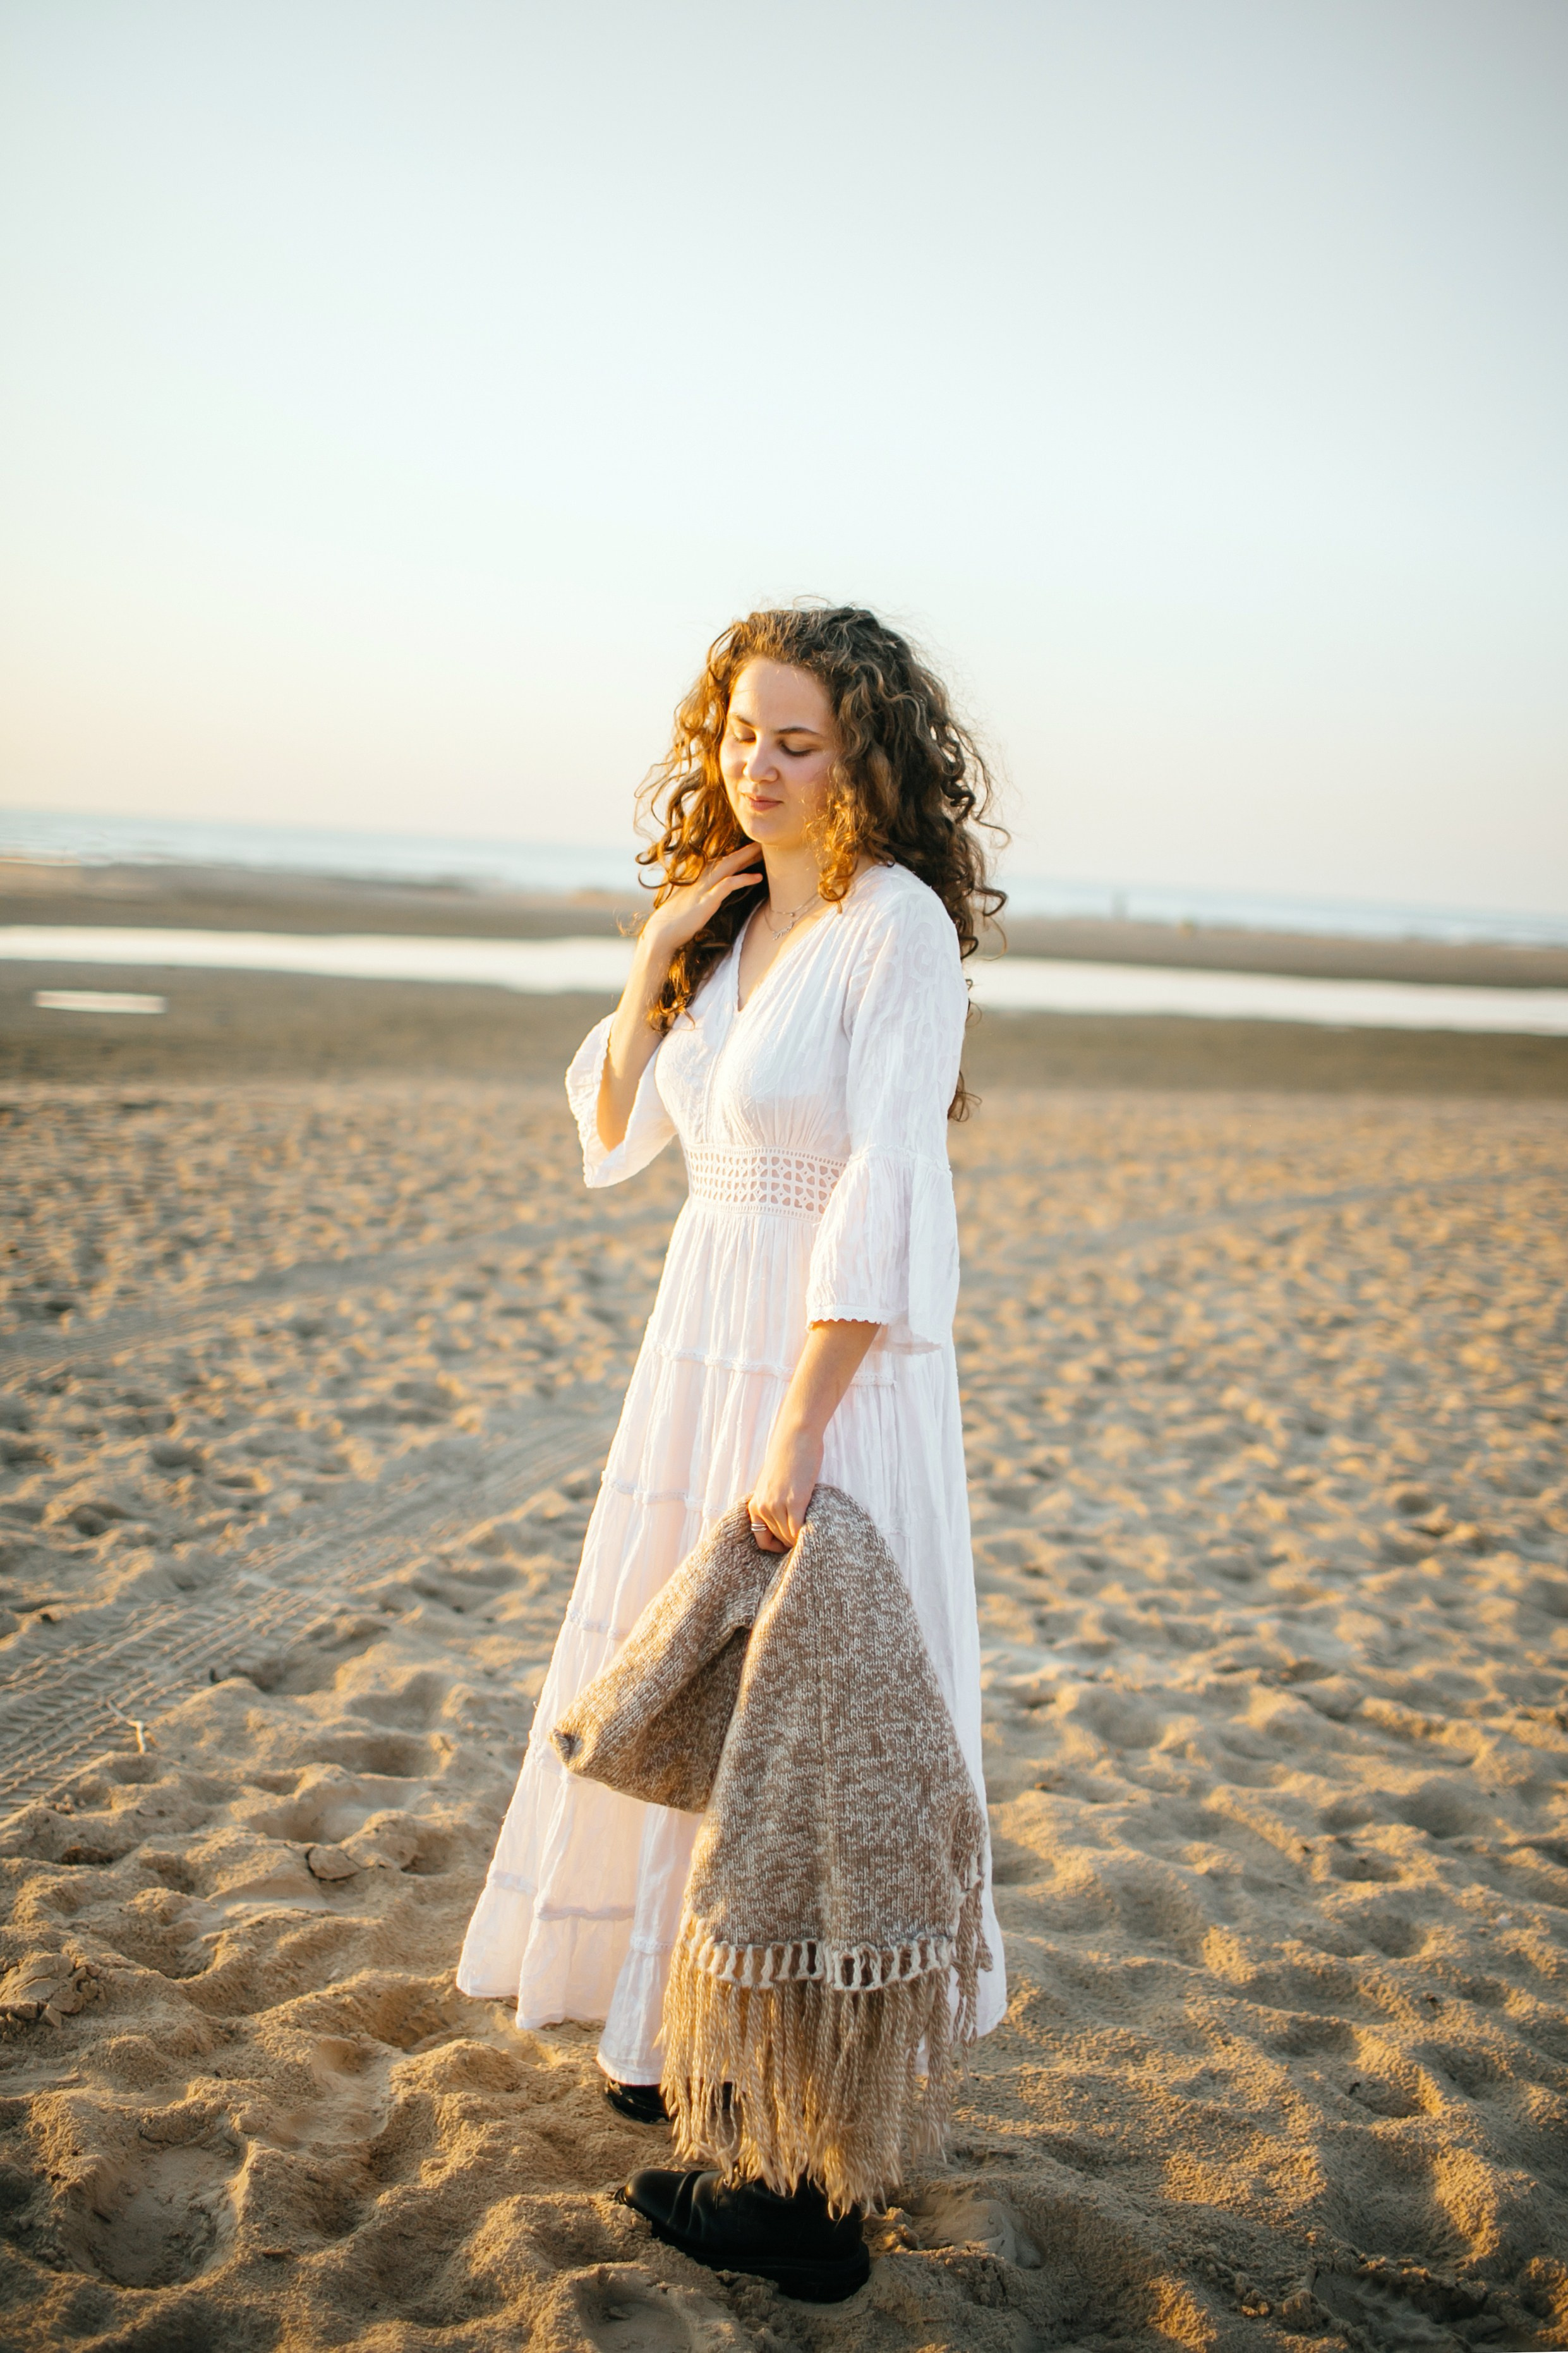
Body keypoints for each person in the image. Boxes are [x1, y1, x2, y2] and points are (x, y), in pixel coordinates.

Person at [457, 603, 1008, 2298]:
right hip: (695, 1345)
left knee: (805, 1753)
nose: (753, 767)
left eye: (795, 742)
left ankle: (806, 2183)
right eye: (737, 731)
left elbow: (884, 1182)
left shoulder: (891, 927)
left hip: (821, 1372)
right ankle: (676, 2034)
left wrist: (800, 1420)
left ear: (867, 762)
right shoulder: (724, 915)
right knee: (688, 1709)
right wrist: (646, 974)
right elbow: (617, 1132)